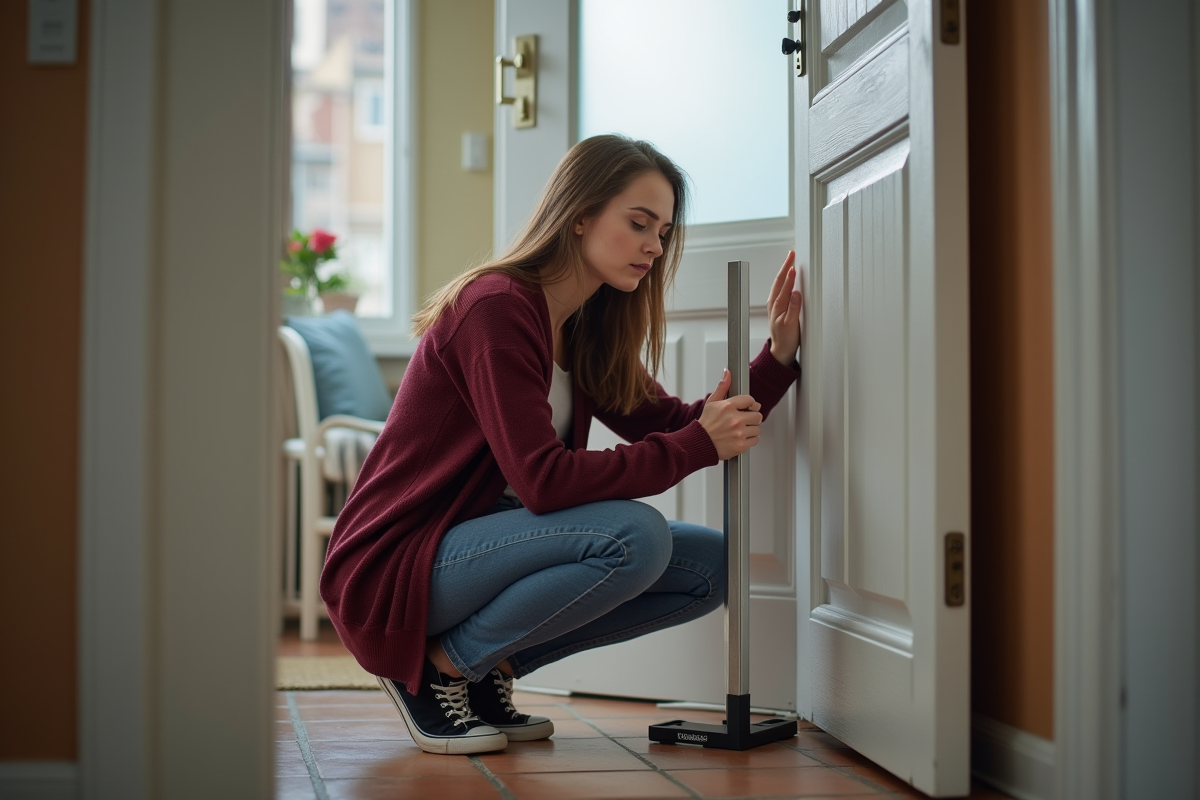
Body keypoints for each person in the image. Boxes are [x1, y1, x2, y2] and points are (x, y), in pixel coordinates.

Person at [319, 134, 804, 755]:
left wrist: (779, 356)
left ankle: (487, 669)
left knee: (711, 567)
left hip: (480, 544)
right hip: (399, 563)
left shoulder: (581, 327)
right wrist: (697, 445)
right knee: (636, 536)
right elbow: (544, 481)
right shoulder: (495, 306)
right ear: (579, 215)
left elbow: (679, 423)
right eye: (638, 223)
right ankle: (438, 670)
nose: (655, 246)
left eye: (663, 231)